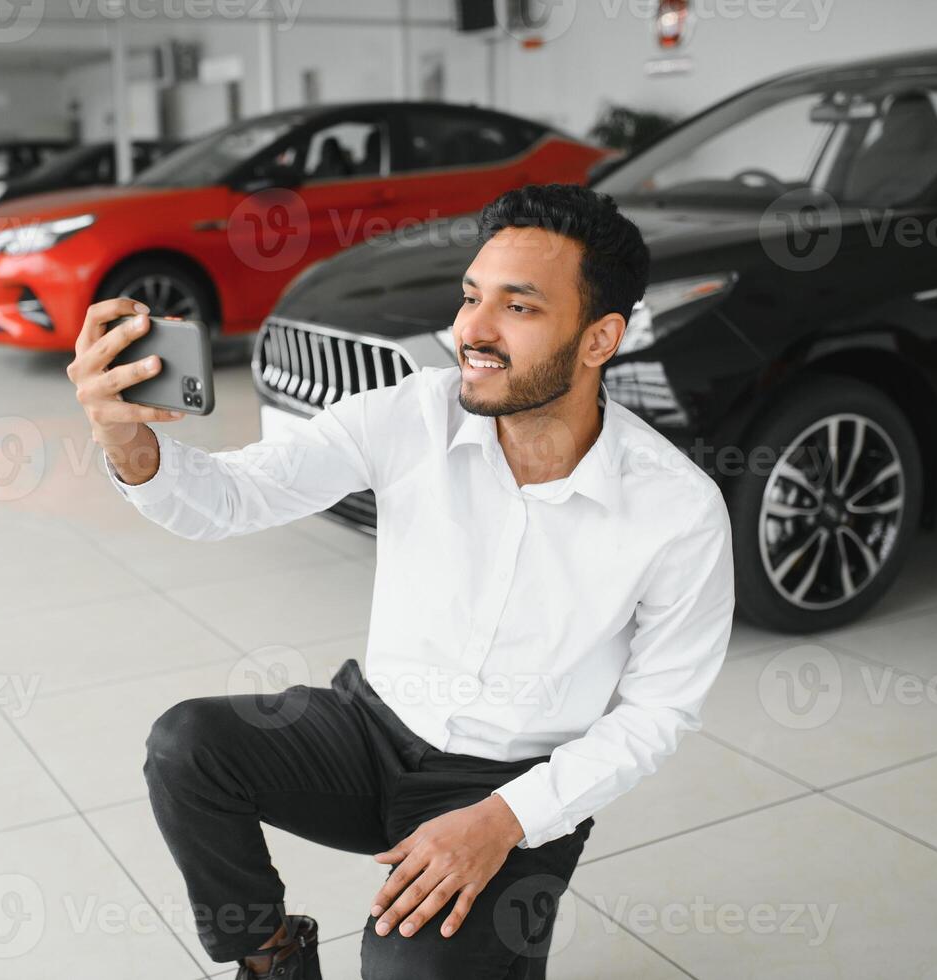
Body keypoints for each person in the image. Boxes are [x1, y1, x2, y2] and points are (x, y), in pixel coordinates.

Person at [66, 184, 735, 979]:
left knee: (409, 972)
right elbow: (233, 497)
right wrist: (127, 442)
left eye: (517, 308)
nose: (470, 332)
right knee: (188, 747)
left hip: (512, 781)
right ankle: (273, 957)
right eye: (468, 297)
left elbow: (658, 713)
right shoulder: (409, 414)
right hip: (370, 728)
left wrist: (502, 820)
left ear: (600, 338)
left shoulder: (676, 509)